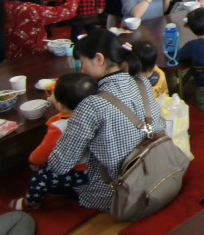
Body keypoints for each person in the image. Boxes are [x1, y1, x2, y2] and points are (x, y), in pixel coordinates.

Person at [48, 29, 165, 212]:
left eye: (83, 62)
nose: (82, 70)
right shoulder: (142, 82)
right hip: (157, 171)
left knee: (49, 178)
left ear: (99, 59)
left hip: (120, 194)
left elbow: (59, 164)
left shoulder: (92, 104)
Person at [10, 74, 97, 210]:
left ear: (61, 105)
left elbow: (43, 151)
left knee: (40, 178)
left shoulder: (59, 126)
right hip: (99, 166)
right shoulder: (96, 115)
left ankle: (31, 202)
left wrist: (33, 160)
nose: (49, 96)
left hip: (81, 171)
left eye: (51, 94)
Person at [3, 0, 82, 60]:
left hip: (14, 55)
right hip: (30, 58)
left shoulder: (10, 4)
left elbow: (34, 5)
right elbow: (67, 11)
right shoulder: (29, 10)